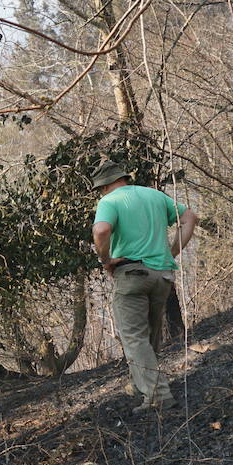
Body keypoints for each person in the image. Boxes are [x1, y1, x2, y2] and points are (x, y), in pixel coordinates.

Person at [90, 161, 200, 413]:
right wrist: (172, 251)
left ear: (105, 185)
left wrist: (105, 260)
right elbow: (190, 217)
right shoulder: (155, 196)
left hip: (131, 274)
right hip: (162, 275)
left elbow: (101, 230)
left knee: (134, 338)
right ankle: (143, 389)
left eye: (100, 189)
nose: (101, 193)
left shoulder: (109, 202)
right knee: (150, 336)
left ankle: (159, 395)